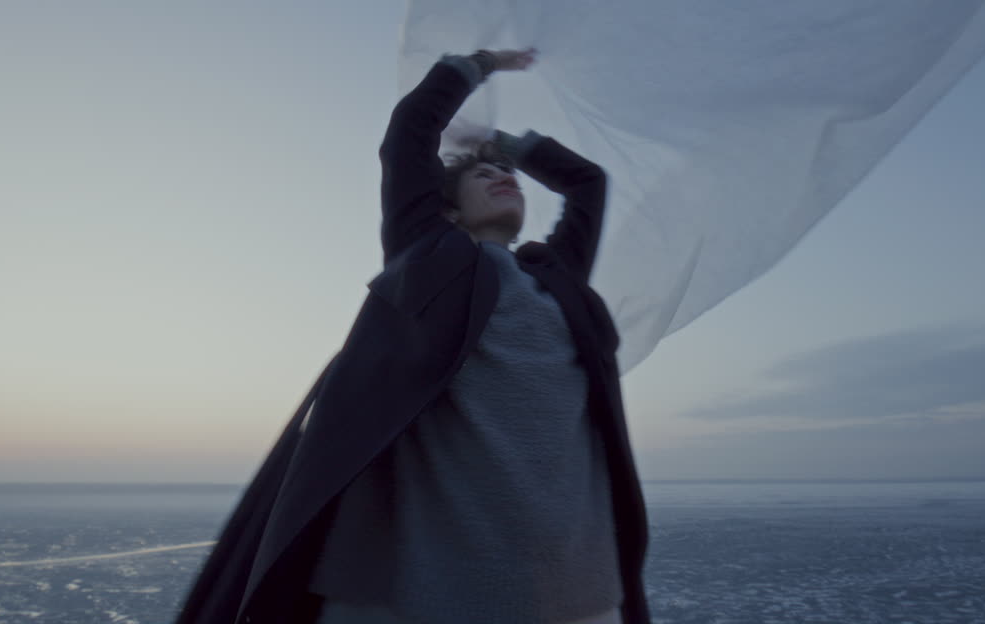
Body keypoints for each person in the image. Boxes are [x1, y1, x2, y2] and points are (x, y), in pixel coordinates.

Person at [175, 49, 650, 624]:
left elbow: (588, 185)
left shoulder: (560, 280)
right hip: (422, 583)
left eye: (509, 176)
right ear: (447, 211)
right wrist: (478, 66)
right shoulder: (427, 254)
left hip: (568, 583)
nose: (504, 179)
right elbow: (410, 133)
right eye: (485, 175)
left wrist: (507, 145)